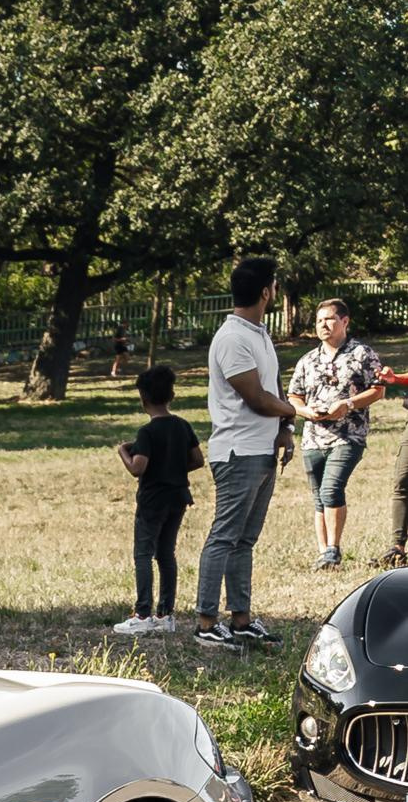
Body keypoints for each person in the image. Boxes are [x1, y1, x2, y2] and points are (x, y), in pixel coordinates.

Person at [195, 256, 289, 652]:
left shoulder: (259, 333)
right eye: (274, 284)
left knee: (245, 540)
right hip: (238, 452)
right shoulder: (232, 338)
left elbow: (274, 387)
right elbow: (257, 398)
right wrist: (296, 410)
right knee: (224, 537)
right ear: (266, 291)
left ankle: (241, 620)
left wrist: (285, 429)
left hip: (262, 449)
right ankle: (204, 623)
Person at [287, 298, 389, 568]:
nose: (323, 325)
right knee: (318, 495)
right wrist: (304, 411)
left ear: (344, 321)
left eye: (329, 319)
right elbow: (294, 396)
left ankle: (333, 549)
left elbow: (378, 390)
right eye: (319, 320)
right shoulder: (308, 360)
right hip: (312, 437)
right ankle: (324, 554)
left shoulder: (362, 354)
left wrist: (349, 404)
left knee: (332, 488)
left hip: (348, 435)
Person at [112, 364, 202, 635]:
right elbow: (197, 459)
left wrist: (122, 453)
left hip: (153, 500)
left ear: (143, 399)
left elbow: (138, 468)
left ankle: (142, 614)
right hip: (178, 496)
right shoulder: (182, 425)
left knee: (143, 553)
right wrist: (173, 467)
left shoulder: (147, 433)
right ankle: (165, 613)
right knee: (166, 553)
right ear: (171, 395)